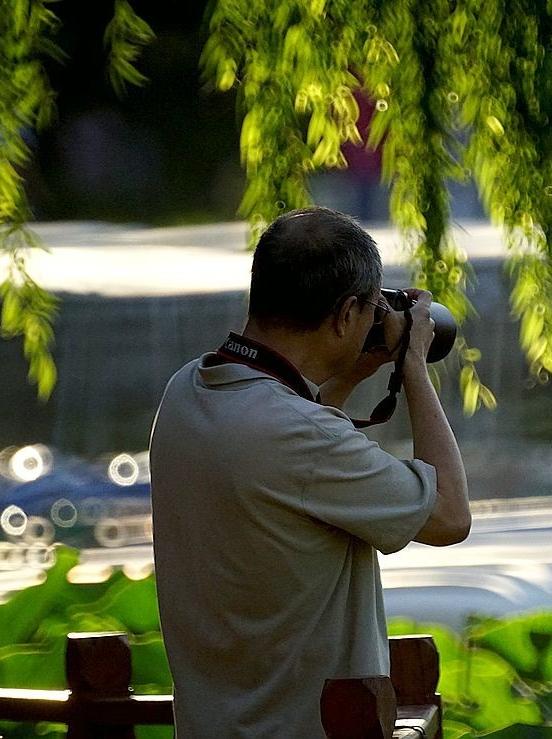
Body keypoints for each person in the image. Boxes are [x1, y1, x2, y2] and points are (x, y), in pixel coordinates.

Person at [149, 206, 471, 737]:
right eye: (369, 309)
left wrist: (348, 372)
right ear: (346, 316)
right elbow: (449, 516)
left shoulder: (186, 391)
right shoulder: (301, 437)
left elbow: (294, 460)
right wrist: (413, 363)